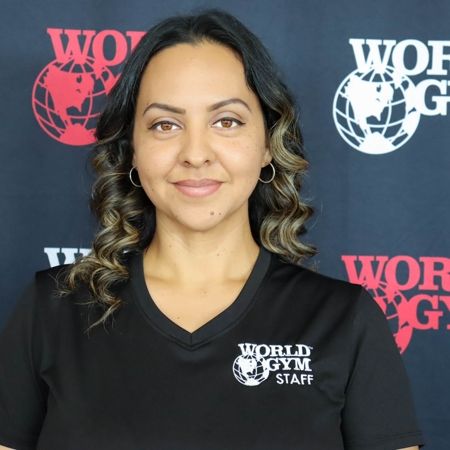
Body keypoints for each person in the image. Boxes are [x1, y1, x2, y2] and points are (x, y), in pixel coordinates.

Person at [0, 8, 424, 450]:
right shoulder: (51, 311)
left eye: (227, 121)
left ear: (267, 144)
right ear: (132, 150)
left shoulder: (344, 320)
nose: (196, 153)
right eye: (165, 124)